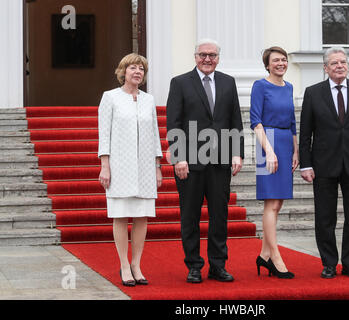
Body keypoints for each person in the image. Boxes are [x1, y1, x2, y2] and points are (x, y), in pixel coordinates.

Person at [166, 39, 244, 283]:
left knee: (219, 216)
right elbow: (174, 122)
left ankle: (218, 265)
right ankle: (194, 266)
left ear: (218, 58)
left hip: (220, 161)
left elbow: (235, 120)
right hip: (189, 162)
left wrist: (236, 152)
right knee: (190, 216)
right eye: (203, 55)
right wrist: (178, 157)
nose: (207, 59)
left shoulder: (228, 82)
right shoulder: (180, 83)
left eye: (212, 55)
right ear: (195, 56)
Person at [299, 47, 349, 279]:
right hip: (323, 164)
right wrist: (306, 164)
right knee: (325, 217)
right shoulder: (313, 93)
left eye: (343, 62)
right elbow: (306, 132)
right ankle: (328, 263)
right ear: (325, 68)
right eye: (334, 63)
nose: (339, 66)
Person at [98, 53, 163, 286]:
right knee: (121, 214)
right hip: (120, 165)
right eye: (133, 68)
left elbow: (155, 135)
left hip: (145, 166)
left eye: (141, 69)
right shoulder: (110, 98)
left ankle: (136, 264)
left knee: (141, 215)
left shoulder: (148, 100)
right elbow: (104, 134)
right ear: (123, 71)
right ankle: (124, 265)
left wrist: (157, 166)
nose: (138, 72)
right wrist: (105, 165)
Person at [250, 47, 299, 279]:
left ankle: (264, 255)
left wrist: (295, 151)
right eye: (276, 60)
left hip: (285, 143)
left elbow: (292, 122)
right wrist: (268, 151)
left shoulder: (288, 87)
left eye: (284, 59)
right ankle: (276, 257)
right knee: (270, 203)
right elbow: (255, 121)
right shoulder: (260, 86)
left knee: (278, 204)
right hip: (267, 142)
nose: (281, 63)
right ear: (267, 65)